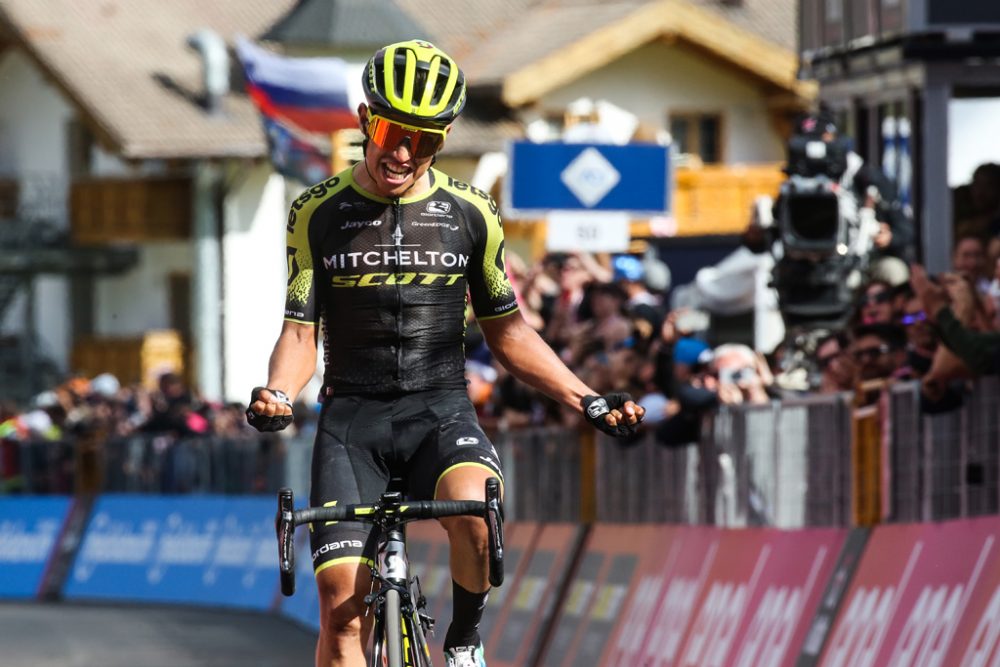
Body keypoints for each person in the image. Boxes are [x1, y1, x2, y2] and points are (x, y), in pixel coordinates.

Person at [244, 40, 644, 667]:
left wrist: (587, 399)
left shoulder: (473, 212)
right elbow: (300, 333)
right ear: (363, 118)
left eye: (424, 140)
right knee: (338, 609)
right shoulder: (314, 213)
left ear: (445, 137)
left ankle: (462, 640)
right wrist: (278, 394)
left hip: (441, 411)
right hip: (353, 423)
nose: (402, 153)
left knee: (481, 514)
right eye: (390, 132)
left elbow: (509, 333)